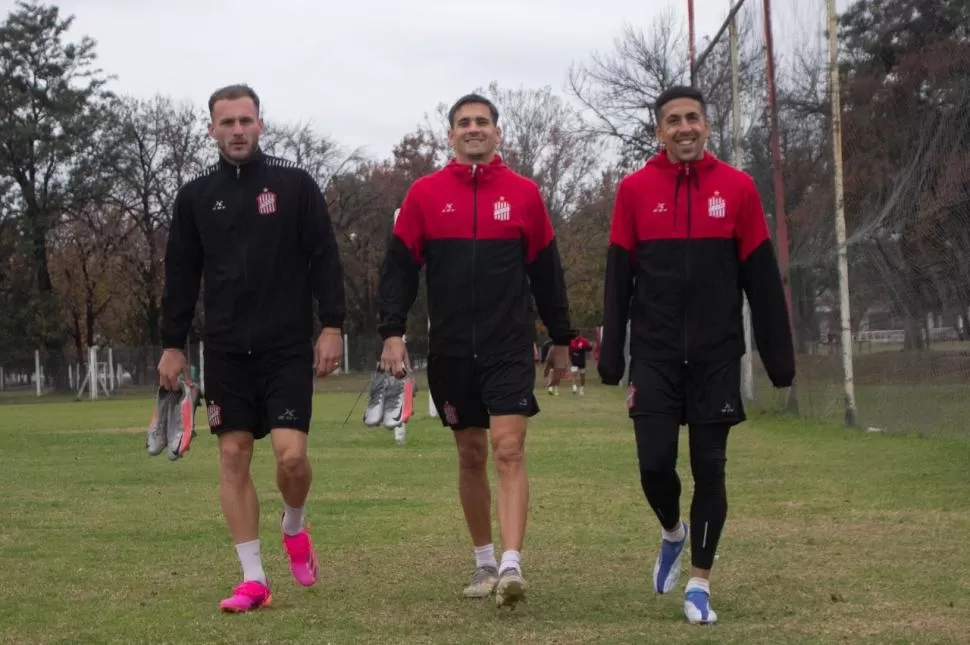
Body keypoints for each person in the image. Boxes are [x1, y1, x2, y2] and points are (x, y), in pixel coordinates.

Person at [598, 85, 794, 625]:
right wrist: (611, 356)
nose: (684, 128)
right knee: (654, 464)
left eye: (693, 118)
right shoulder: (634, 191)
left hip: (715, 356)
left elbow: (760, 278)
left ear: (706, 125)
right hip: (656, 358)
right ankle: (672, 531)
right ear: (659, 132)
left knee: (711, 469)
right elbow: (618, 279)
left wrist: (780, 360)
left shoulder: (738, 189)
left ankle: (700, 585)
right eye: (673, 121)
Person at [376, 93, 574, 608]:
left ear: (497, 133)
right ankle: (484, 559)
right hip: (451, 350)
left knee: (509, 448)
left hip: (509, 345)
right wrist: (391, 330)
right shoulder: (424, 195)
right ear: (450, 135)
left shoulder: (525, 195)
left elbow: (547, 274)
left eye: (482, 122)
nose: (473, 129)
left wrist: (560, 338)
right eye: (463, 123)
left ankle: (512, 563)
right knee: (471, 452)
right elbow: (398, 269)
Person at [158, 83, 346, 613]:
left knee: (291, 458)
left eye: (246, 121)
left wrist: (331, 324)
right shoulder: (194, 197)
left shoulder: (294, 185)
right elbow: (179, 275)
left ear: (261, 124)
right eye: (227, 122)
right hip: (225, 349)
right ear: (211, 129)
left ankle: (295, 525)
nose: (237, 130)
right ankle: (254, 579)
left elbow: (325, 257)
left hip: (285, 345)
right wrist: (173, 344)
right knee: (234, 454)